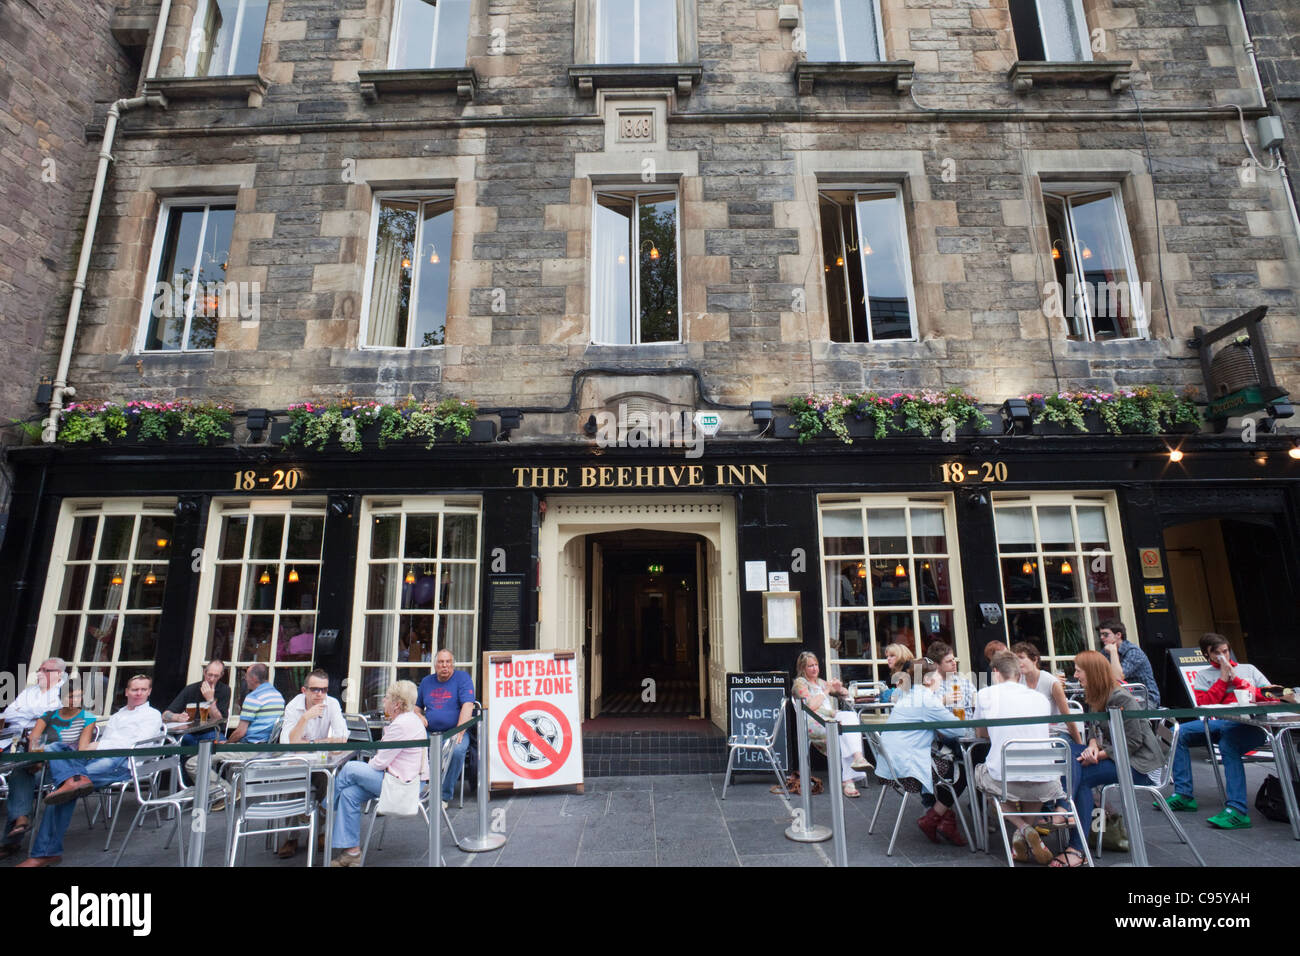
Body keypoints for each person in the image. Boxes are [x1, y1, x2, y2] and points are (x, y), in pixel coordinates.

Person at [18, 674, 163, 867]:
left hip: (124, 763)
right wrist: (93, 749)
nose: (139, 693)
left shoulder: (152, 714)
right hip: (98, 758)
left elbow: (137, 744)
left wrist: (100, 745)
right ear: (127, 691)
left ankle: (44, 853)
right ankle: (72, 781)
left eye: (143, 690)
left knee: (63, 791)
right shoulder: (118, 715)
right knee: (56, 748)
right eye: (135, 689)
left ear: (149, 691)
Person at [1167, 633, 1296, 830]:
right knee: (1180, 732)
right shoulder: (1203, 675)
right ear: (1207, 655)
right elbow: (1204, 704)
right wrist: (1222, 679)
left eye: (1225, 651)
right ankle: (1184, 795)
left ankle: (1237, 810)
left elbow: (1269, 694)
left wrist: (1235, 679)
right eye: (1217, 653)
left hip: (1251, 725)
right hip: (1221, 722)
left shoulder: (1248, 669)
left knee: (1229, 744)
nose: (1223, 656)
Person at [1053, 650, 1164, 867]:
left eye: (1078, 670)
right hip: (1122, 757)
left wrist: (1099, 754)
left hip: (1141, 765)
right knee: (1072, 751)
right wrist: (1093, 746)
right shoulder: (1099, 695)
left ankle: (1076, 844)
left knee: (1081, 777)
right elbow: (1095, 730)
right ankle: (1066, 813)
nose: (1076, 675)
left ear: (1092, 672)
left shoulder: (1120, 697)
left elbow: (1133, 742)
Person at [974, 650, 1065, 863]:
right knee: (1032, 779)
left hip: (1005, 781)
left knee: (980, 774)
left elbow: (981, 733)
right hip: (1045, 781)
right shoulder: (1040, 698)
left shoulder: (985, 695)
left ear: (996, 673)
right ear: (1019, 674)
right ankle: (1025, 835)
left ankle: (1022, 829)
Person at [331, 680, 427, 867]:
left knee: (350, 768)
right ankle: (351, 852)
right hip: (404, 780)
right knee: (349, 794)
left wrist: (373, 760)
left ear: (397, 704)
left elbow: (378, 763)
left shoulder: (401, 725)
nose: (383, 701)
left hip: (402, 785)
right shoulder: (409, 720)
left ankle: (325, 807)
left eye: (387, 698)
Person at [876, 660, 968, 846]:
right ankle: (933, 819)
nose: (941, 679)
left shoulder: (909, 695)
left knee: (947, 763)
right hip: (906, 769)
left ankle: (945, 819)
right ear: (927, 679)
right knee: (962, 772)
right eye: (938, 675)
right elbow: (959, 731)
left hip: (889, 765)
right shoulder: (927, 700)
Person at [1, 682, 94, 858]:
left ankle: (13, 836)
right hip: (39, 766)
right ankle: (20, 821)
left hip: (64, 771)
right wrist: (37, 759)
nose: (74, 700)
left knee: (25, 773)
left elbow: (81, 751)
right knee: (20, 772)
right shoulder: (48, 716)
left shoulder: (87, 718)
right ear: (61, 698)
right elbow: (34, 741)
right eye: (70, 696)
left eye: (78, 696)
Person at [276, 669, 348, 858]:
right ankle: (292, 836)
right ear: (304, 690)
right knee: (296, 782)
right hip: (297, 763)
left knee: (327, 779)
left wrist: (311, 743)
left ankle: (320, 832)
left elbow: (341, 738)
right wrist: (306, 718)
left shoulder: (332, 704)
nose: (320, 694)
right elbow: (288, 742)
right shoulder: (294, 706)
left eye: (324, 690)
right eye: (315, 689)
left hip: (321, 763)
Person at [184, 662, 284, 794]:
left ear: (254, 678)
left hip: (250, 749)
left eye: (246, 676)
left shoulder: (254, 697)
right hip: (267, 748)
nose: (245, 679)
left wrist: (227, 744)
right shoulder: (278, 696)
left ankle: (226, 792)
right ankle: (223, 792)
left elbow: (240, 732)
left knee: (193, 763)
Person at [791, 651, 872, 798]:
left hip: (832, 719)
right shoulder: (800, 683)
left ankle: (858, 757)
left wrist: (839, 688)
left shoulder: (821, 682)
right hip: (814, 722)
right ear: (803, 668)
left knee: (850, 716)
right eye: (810, 666)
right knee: (841, 731)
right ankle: (848, 780)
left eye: (816, 665)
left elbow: (844, 694)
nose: (815, 669)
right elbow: (811, 706)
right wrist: (827, 691)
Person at [416, 649, 476, 809]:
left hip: (455, 730)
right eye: (441, 662)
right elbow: (416, 707)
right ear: (435, 665)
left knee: (456, 751)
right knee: (413, 747)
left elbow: (468, 705)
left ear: (453, 664)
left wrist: (459, 731)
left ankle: (443, 795)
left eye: (448, 662)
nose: (445, 666)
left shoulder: (462, 678)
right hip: (430, 732)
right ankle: (419, 790)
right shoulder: (426, 681)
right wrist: (420, 716)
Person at [1011, 642, 1080, 744]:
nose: (1018, 662)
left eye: (1021, 657)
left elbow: (1067, 717)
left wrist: (1079, 744)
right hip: (1032, 734)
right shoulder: (1018, 682)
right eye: (1015, 659)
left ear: (1035, 659)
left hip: (1056, 732)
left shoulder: (1051, 682)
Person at [162, 659, 231, 747]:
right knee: (185, 740)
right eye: (210, 675)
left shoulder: (224, 690)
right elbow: (165, 715)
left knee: (222, 745)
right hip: (189, 732)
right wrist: (177, 717)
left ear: (221, 675)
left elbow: (218, 720)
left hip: (210, 731)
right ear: (204, 672)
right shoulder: (190, 689)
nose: (212, 679)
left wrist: (210, 700)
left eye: (216, 676)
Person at [1098, 619, 1160, 707]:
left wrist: (1113, 652)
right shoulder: (1105, 652)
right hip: (1121, 697)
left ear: (1118, 635)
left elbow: (1118, 677)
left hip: (1145, 698)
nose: (1101, 637)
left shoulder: (1133, 652)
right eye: (1100, 634)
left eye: (1105, 634)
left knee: (1119, 712)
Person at [0, 658, 66, 740]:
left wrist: (21, 710)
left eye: (45, 670)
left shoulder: (65, 691)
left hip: (39, 739)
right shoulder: (29, 690)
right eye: (39, 670)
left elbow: (49, 715)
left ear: (59, 673)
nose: (39, 674)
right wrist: (34, 713)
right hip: (10, 736)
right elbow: (7, 714)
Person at [925, 641, 974, 716]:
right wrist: (942, 701)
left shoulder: (965, 683)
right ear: (936, 665)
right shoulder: (929, 687)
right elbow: (925, 713)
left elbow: (977, 708)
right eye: (949, 661)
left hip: (967, 726)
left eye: (953, 659)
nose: (954, 663)